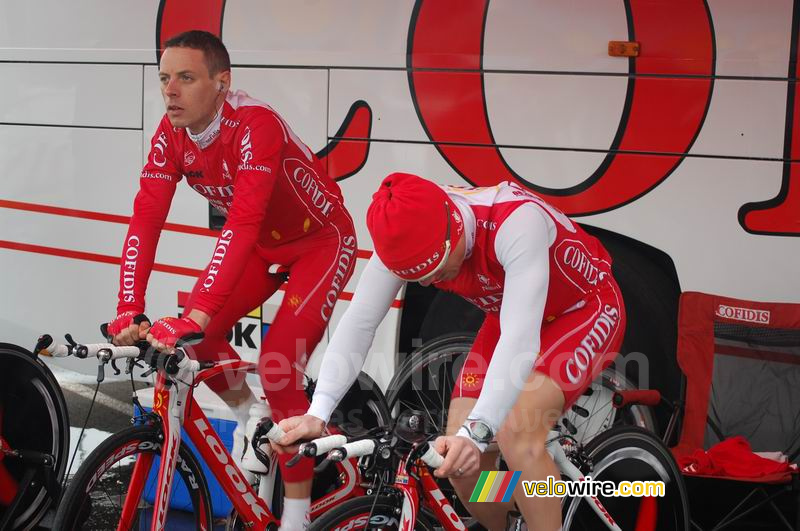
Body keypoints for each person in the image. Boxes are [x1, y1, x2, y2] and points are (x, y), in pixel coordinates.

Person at [274, 173, 627, 530]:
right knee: (458, 462)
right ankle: (514, 515)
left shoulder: (517, 223)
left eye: (436, 268)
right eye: (420, 278)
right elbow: (361, 321)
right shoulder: (402, 236)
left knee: (517, 431)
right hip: (509, 312)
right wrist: (318, 412)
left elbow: (520, 341)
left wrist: (479, 432)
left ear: (453, 226)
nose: (430, 282)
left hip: (584, 308)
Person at [106, 30, 356, 531]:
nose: (169, 91)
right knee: (196, 344)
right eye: (163, 78)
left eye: (185, 78)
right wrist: (129, 305)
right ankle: (248, 417)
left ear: (223, 82)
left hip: (320, 243)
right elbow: (147, 215)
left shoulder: (254, 125)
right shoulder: (171, 133)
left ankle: (297, 518)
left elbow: (240, 221)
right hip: (264, 246)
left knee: (278, 364)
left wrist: (195, 313)